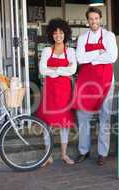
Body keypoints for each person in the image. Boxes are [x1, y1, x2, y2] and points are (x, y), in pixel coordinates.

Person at [72, 7, 118, 166]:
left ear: (100, 19)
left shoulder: (109, 36)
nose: (94, 22)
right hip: (86, 82)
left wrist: (91, 59)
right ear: (87, 21)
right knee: (83, 116)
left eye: (96, 18)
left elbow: (112, 56)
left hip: (106, 81)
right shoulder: (82, 37)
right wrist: (99, 53)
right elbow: (79, 58)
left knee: (104, 117)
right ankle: (84, 151)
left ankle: (102, 153)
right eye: (91, 19)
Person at [36, 18, 77, 165]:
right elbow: (42, 70)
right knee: (48, 122)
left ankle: (64, 154)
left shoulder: (71, 51)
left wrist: (53, 69)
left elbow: (73, 69)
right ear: (51, 35)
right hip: (50, 90)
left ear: (65, 34)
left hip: (65, 90)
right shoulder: (47, 50)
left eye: (61, 32)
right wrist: (62, 70)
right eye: (55, 33)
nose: (58, 35)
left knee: (63, 123)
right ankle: (48, 155)